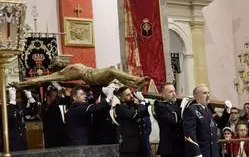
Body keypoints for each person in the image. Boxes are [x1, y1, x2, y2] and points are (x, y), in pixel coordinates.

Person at [183, 84, 220, 157]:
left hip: (211, 155)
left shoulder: (207, 109)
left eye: (208, 93)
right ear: (196, 96)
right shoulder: (191, 110)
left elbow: (218, 125)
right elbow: (189, 133)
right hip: (200, 155)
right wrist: (196, 152)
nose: (208, 95)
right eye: (204, 93)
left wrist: (227, 112)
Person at [15, 63, 149, 88]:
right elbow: (43, 78)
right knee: (112, 70)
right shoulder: (63, 74)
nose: (63, 62)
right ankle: (135, 80)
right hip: (93, 77)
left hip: (95, 73)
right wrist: (23, 83)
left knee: (113, 72)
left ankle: (132, 84)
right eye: (60, 63)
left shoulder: (70, 67)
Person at [114, 86, 151, 157]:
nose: (131, 96)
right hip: (128, 147)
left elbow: (145, 113)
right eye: (127, 95)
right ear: (121, 98)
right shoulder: (120, 108)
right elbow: (135, 115)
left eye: (131, 93)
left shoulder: (135, 106)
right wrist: (142, 102)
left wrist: (142, 103)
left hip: (140, 145)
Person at [154, 83, 186, 157]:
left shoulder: (177, 105)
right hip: (169, 148)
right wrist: (182, 108)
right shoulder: (160, 106)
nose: (174, 93)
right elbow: (172, 120)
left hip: (181, 146)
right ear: (163, 94)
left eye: (174, 91)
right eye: (170, 91)